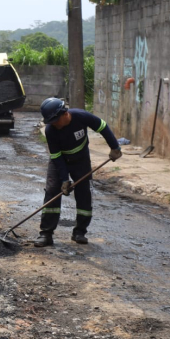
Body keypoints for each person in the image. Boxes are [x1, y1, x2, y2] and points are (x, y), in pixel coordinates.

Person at [35, 97, 122, 247]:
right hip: (59, 161)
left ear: (64, 114)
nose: (54, 124)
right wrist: (64, 180)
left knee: (84, 193)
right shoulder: (51, 130)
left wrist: (115, 147)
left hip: (81, 160)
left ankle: (79, 232)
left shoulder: (81, 116)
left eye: (55, 121)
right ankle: (46, 234)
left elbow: (102, 127)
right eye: (51, 122)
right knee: (52, 192)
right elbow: (56, 156)